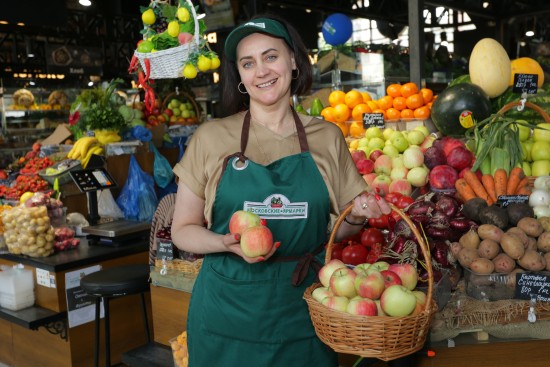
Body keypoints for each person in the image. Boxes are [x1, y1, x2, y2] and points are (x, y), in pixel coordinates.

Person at [171, 14, 392, 367]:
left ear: (292, 60)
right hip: (227, 313)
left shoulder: (327, 136)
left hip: (303, 309)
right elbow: (182, 230)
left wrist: (360, 216)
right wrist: (222, 243)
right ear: (240, 76)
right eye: (248, 63)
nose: (261, 71)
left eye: (270, 56)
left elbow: (338, 230)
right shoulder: (212, 138)